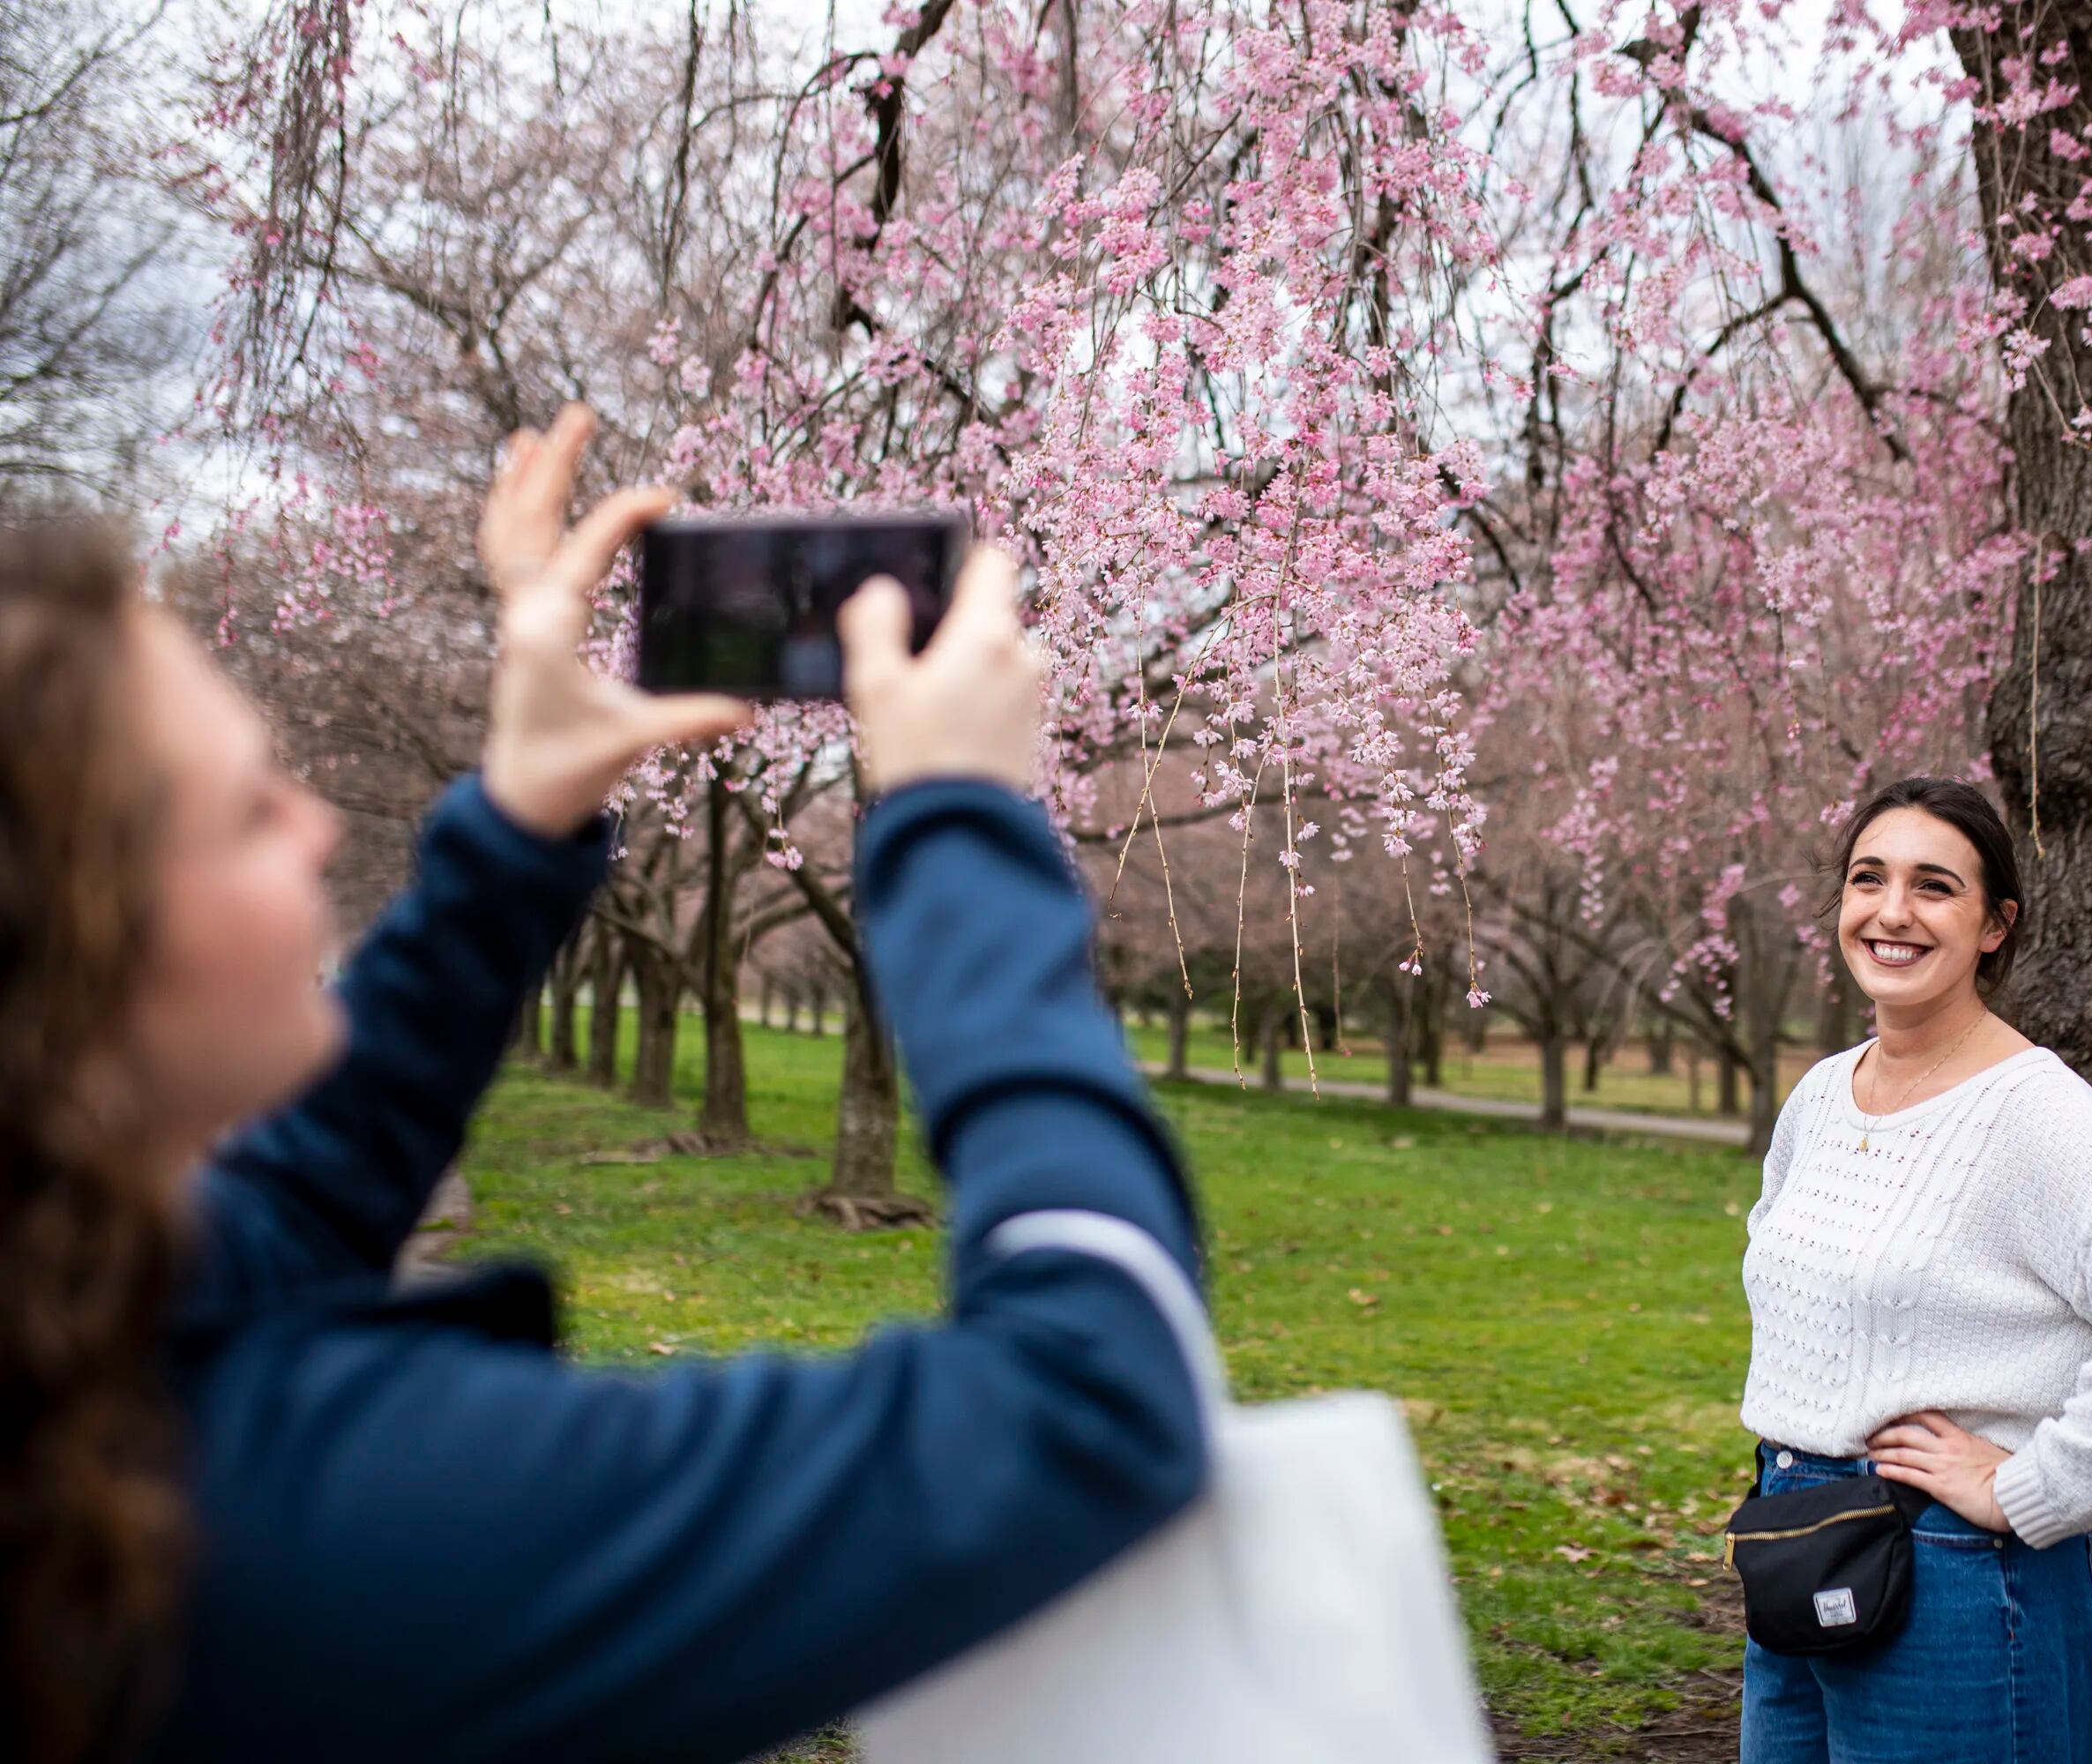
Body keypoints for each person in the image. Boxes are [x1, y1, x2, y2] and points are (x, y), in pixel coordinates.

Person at [0, 407, 1208, 1764]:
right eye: (248, 808)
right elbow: (1089, 1402)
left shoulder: (75, 1328)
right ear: (77, 958)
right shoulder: (287, 1533)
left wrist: (522, 818)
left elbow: (292, 1208)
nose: (321, 823)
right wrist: (962, 826)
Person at [1737, 776, 2092, 1764]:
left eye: (1934, 886)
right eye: (1867, 878)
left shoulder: (2035, 1115)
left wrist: (2039, 1485)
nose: (1891, 912)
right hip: (1797, 1547)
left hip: (1957, 1576)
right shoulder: (1819, 1095)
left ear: (1994, 925)